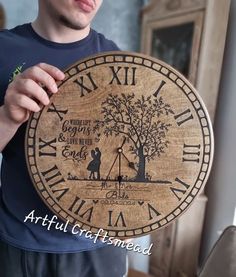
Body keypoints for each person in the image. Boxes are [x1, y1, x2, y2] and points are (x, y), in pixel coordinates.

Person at [0, 1, 127, 276]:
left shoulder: (117, 60)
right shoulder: (3, 49)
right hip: (20, 245)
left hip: (101, 249)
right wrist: (6, 118)